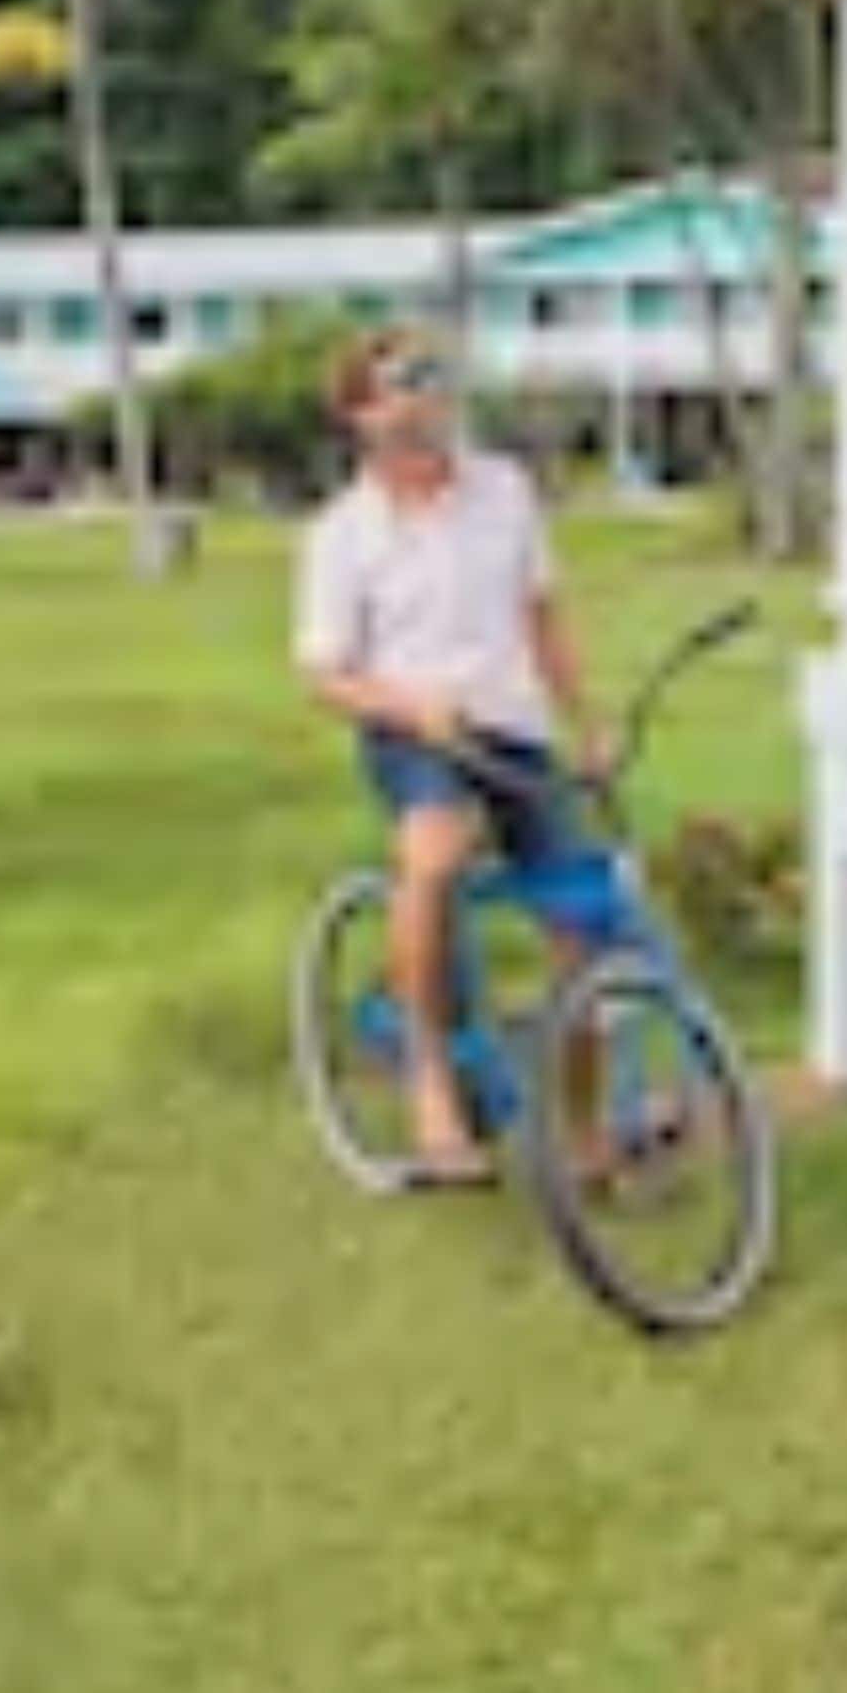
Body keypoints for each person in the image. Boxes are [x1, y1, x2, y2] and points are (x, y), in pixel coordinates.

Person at [294, 328, 605, 1185]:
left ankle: (587, 1136)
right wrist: (411, 709)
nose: (424, 400)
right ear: (360, 412)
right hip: (413, 729)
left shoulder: (502, 491)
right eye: (402, 385)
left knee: (581, 924)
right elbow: (325, 672)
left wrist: (588, 721)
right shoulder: (342, 535)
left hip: (514, 729)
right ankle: (432, 1086)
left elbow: (544, 616)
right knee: (431, 852)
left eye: (435, 381)